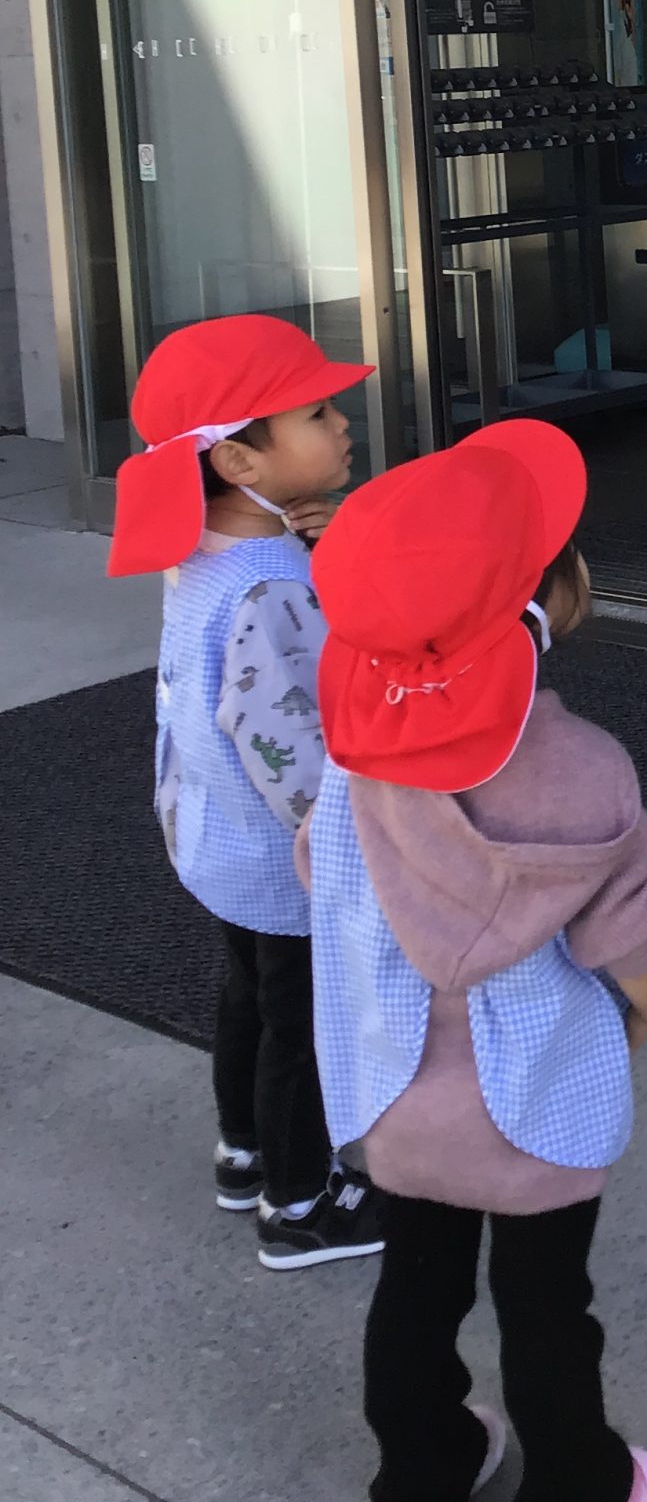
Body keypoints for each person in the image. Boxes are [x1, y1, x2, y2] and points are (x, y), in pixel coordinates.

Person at [304, 420, 647, 1502]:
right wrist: (640, 1021)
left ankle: (423, 1467)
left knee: (416, 1289)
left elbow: (321, 876)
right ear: (550, 596)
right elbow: (640, 951)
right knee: (547, 1305)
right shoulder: (584, 771)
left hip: (396, 1093)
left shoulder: (351, 759)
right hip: (539, 1100)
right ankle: (582, 1479)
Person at [109, 312, 387, 1270]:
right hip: (287, 861)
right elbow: (296, 750)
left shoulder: (205, 553)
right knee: (300, 1031)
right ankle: (299, 1205)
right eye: (317, 414)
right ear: (237, 462)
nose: (343, 424)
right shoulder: (271, 583)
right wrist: (356, 853)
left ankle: (243, 1154)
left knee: (249, 999)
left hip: (217, 838)